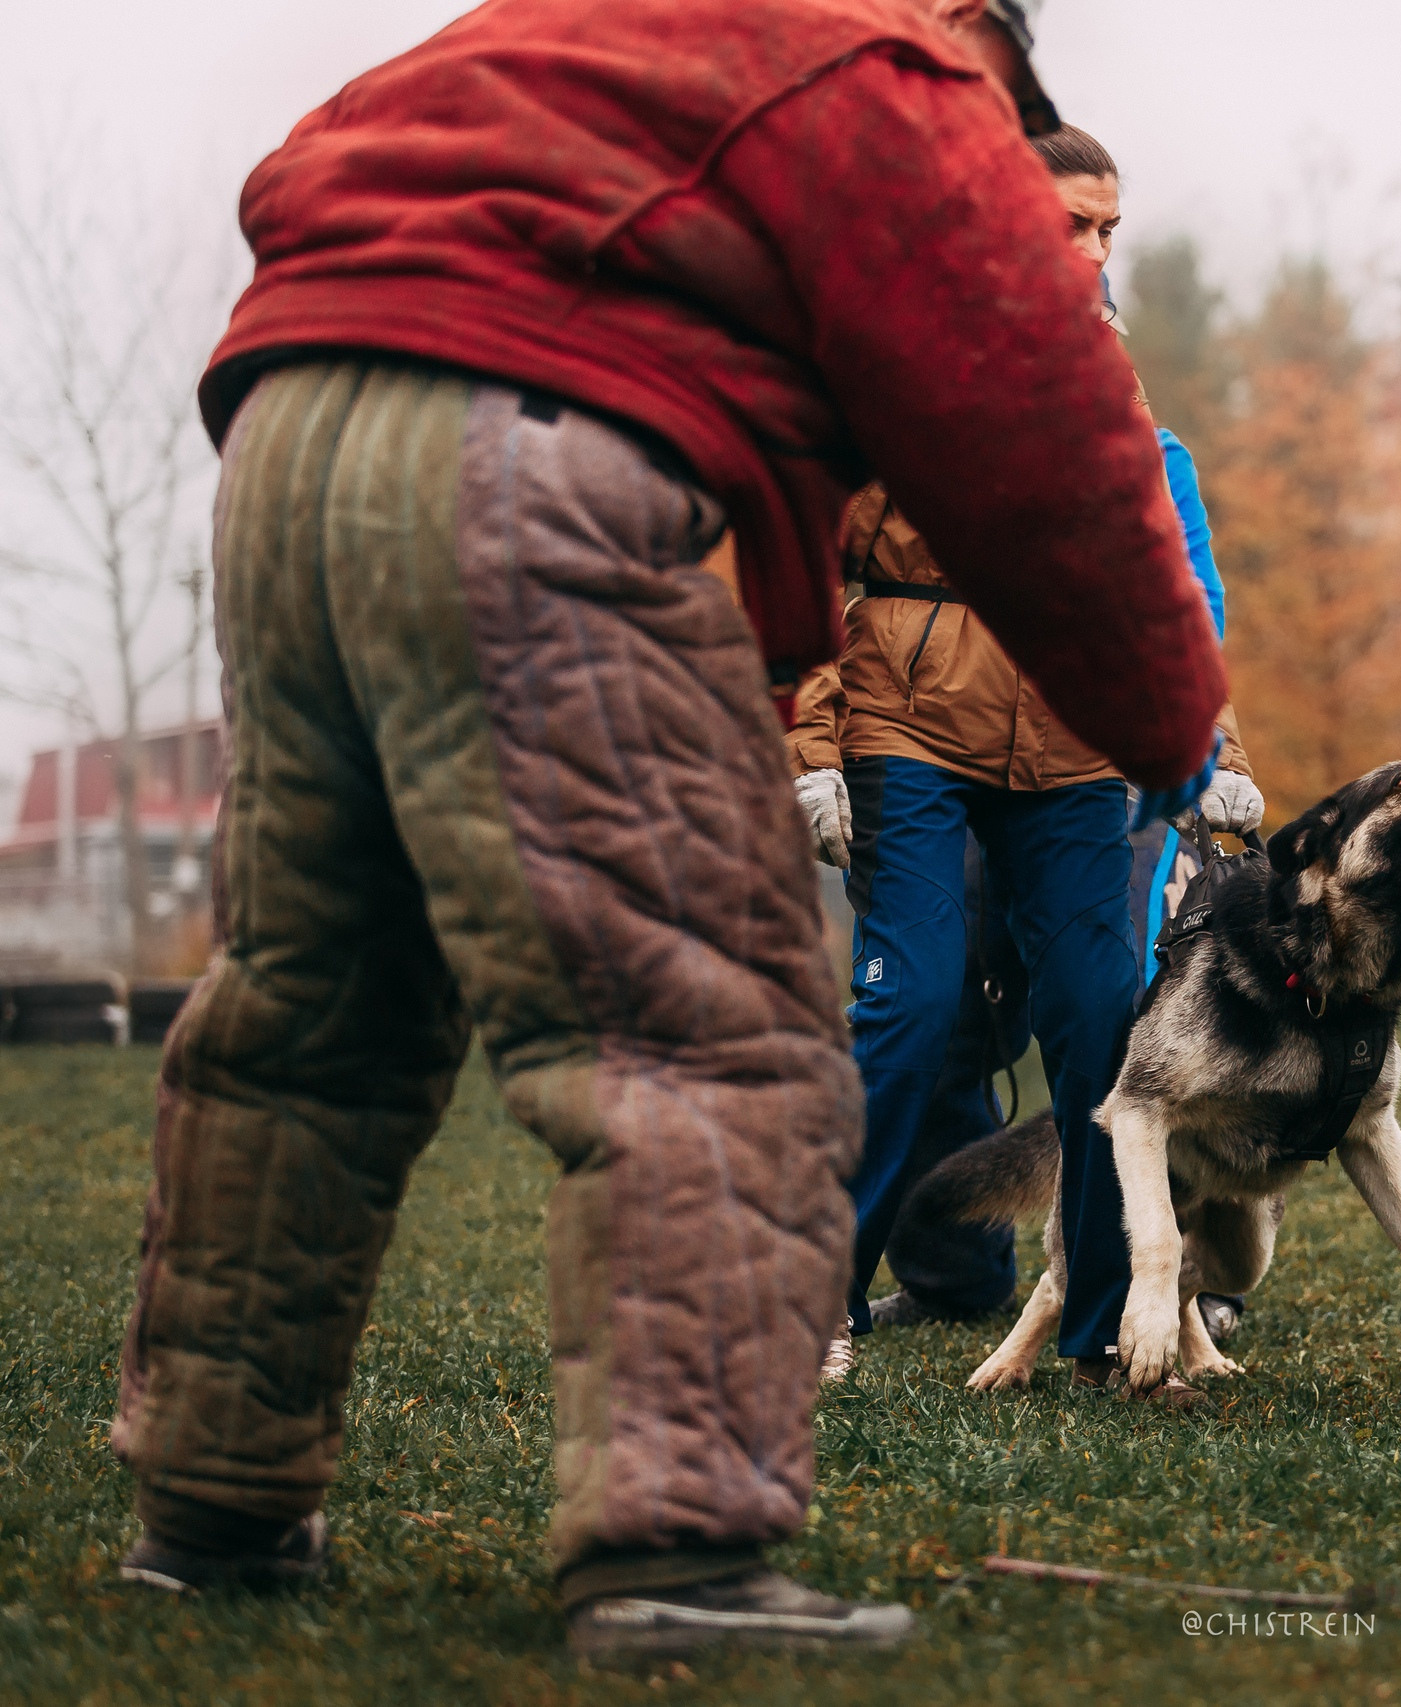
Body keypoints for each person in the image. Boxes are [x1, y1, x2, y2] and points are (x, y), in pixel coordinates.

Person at [107, 0, 1227, 1663]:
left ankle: (213, 1507)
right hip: (538, 461)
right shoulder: (896, 71)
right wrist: (1170, 725)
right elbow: (1048, 440)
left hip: (284, 443)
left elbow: (305, 165)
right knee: (702, 1020)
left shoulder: (613, 30)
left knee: (309, 1008)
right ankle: (677, 1551)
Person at [786, 124, 1258, 1405]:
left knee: (1105, 1022)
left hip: (1065, 742)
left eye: (1109, 229)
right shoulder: (877, 358)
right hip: (910, 726)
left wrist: (1208, 750)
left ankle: (1105, 1324)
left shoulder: (1110, 376)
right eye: (1069, 224)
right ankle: (811, 1297)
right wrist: (810, 747)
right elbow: (811, 557)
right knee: (911, 1003)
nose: (1097, 251)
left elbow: (1158, 580)